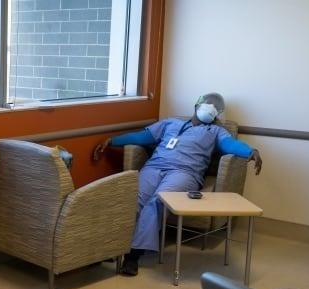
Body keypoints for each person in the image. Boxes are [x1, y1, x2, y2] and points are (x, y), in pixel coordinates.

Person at [92, 92, 263, 276]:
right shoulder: (171, 122)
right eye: (208, 105)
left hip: (185, 173)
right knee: (132, 199)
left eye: (215, 108)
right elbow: (143, 137)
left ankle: (133, 255)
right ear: (197, 104)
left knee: (157, 202)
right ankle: (112, 247)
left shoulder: (216, 131)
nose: (210, 109)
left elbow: (230, 145)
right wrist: (113, 141)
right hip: (154, 167)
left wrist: (250, 151)